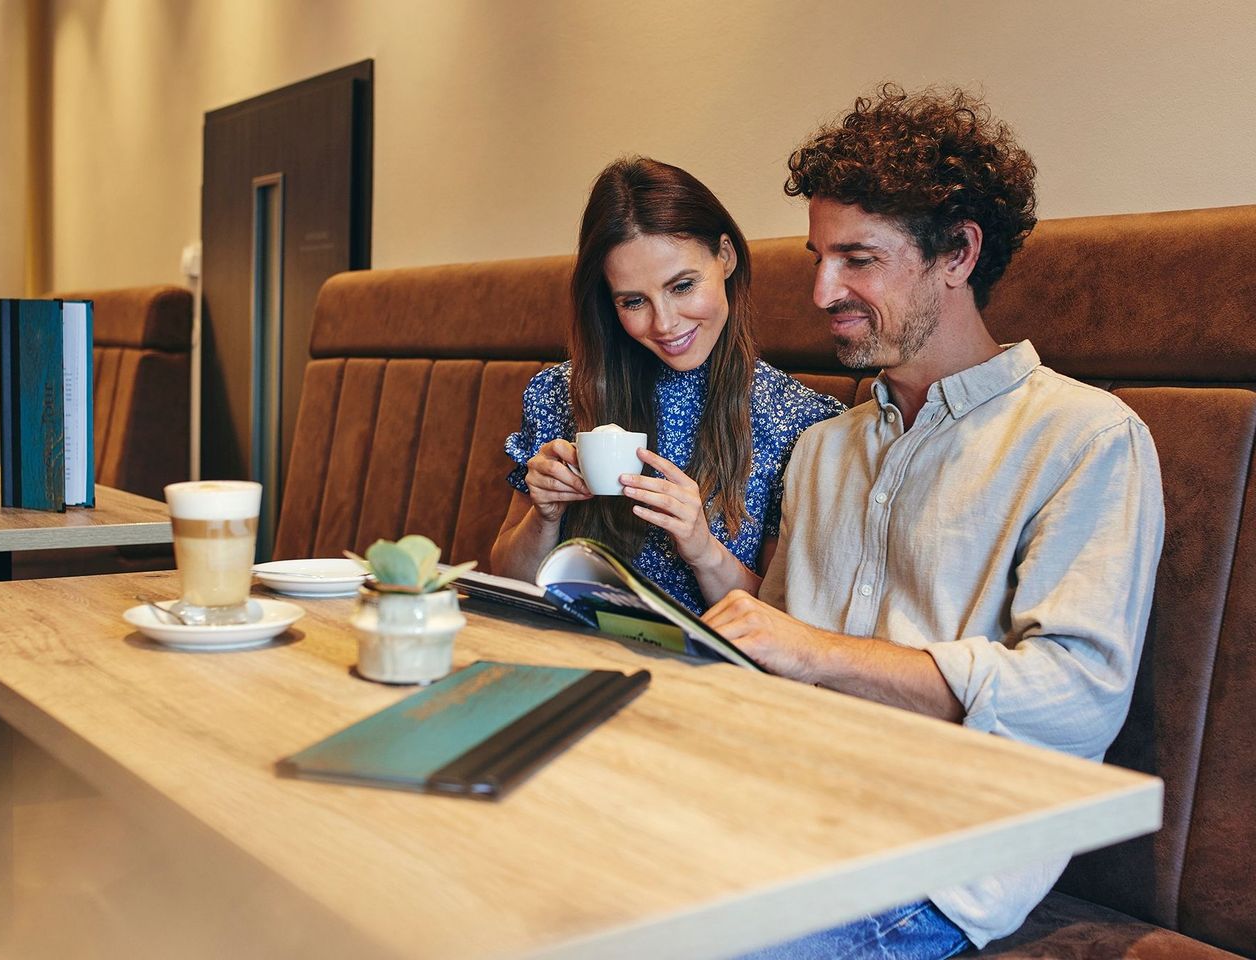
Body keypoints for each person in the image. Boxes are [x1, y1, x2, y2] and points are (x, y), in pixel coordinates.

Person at [703, 86, 1165, 957]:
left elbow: (1076, 699)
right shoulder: (824, 449)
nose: (821, 291)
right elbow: (776, 650)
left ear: (957, 253)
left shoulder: (1086, 440)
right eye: (816, 258)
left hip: (925, 868)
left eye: (857, 260)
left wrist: (816, 652)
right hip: (770, 806)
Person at [490, 157, 842, 616]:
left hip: (706, 674)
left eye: (682, 286)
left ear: (726, 256)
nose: (665, 323)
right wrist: (545, 515)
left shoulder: (801, 421)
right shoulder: (561, 391)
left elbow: (783, 626)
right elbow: (506, 579)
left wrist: (702, 548)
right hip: (574, 648)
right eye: (634, 301)